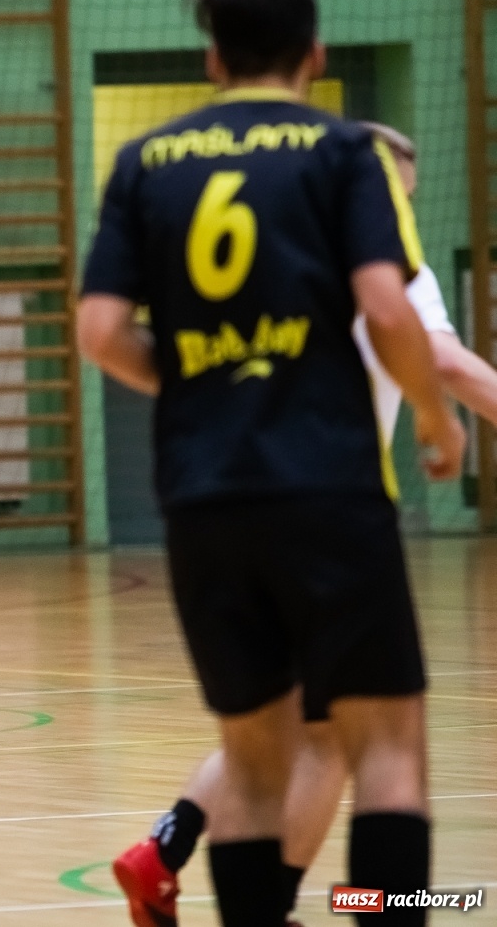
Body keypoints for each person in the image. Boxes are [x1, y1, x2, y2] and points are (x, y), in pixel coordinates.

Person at [77, 0, 464, 927]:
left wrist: (198, 381)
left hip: (204, 496)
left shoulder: (144, 163)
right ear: (313, 50)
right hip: (328, 484)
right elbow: (385, 307)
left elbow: (99, 332)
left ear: (211, 58)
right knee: (384, 751)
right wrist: (431, 416)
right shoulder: (343, 154)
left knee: (253, 761)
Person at [112, 121, 497, 927]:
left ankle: (172, 850)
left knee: (268, 734)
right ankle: (308, 902)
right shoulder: (372, 247)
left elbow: (107, 331)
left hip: (219, 505)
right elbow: (450, 364)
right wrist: (442, 420)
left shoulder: (268, 246)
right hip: (333, 511)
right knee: (359, 746)